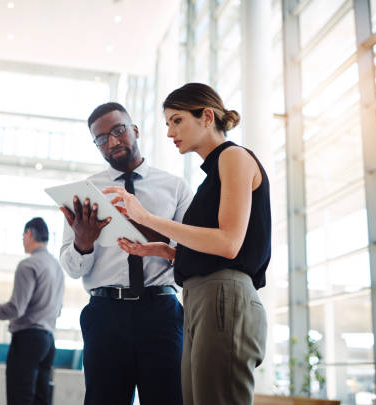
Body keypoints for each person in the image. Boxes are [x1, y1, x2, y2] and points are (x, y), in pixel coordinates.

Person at [104, 82, 270, 405]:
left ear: (207, 116)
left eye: (176, 120)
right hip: (202, 298)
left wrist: (148, 219)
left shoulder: (234, 157)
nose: (170, 133)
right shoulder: (212, 176)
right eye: (167, 123)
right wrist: (167, 252)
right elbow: (217, 244)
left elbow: (229, 243)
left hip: (223, 296)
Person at [59, 102, 193, 405]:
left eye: (118, 131)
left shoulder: (174, 188)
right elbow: (72, 267)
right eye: (102, 138)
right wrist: (83, 242)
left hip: (161, 312)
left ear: (135, 130)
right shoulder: (86, 193)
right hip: (105, 314)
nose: (112, 141)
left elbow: (193, 253)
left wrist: (147, 226)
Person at [0, 217, 64, 405]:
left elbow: (16, 308)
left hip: (27, 339)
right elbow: (59, 309)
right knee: (41, 398)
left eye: (23, 236)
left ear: (29, 233)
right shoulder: (57, 266)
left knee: (19, 397)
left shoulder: (28, 264)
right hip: (48, 340)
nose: (23, 240)